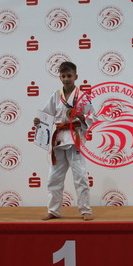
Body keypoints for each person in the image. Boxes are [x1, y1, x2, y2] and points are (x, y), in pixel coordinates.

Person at [33, 61, 95, 221]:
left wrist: (82, 117)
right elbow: (46, 114)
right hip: (60, 140)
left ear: (76, 76)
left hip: (75, 139)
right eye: (63, 76)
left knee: (80, 177)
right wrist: (39, 121)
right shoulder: (56, 95)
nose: (66, 79)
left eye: (69, 76)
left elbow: (93, 117)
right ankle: (53, 210)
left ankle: (85, 210)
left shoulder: (83, 96)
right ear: (60, 77)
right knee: (53, 178)